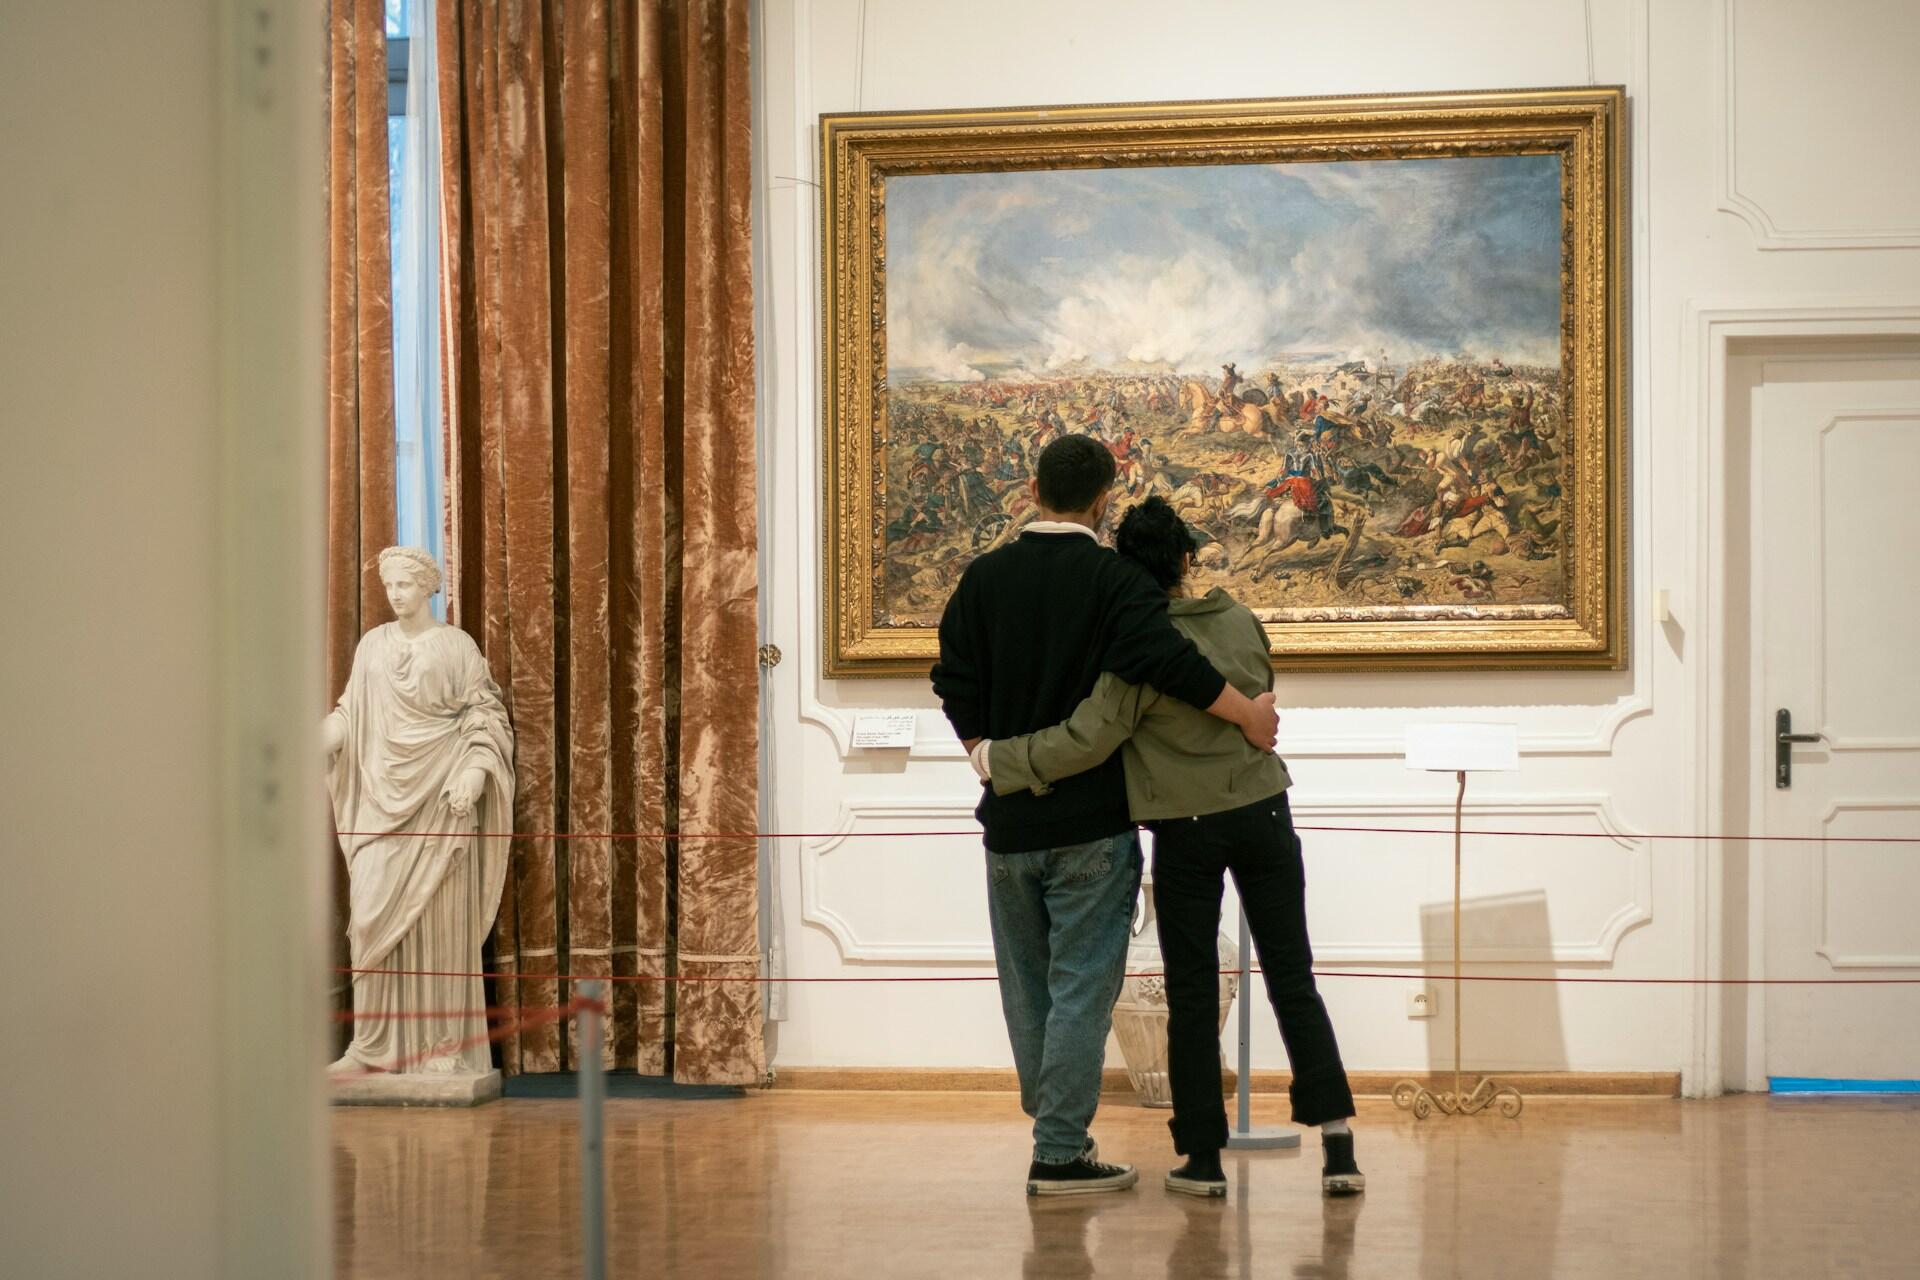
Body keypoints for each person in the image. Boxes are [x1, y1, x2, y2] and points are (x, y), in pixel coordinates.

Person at [974, 497, 1363, 1200]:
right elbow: (1263, 697)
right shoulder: (1241, 619)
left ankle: (1204, 1161)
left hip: (1186, 829)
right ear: (1187, 559)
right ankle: (1339, 1148)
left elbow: (1090, 740)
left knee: (1191, 993)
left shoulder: (1132, 656)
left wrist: (1001, 762)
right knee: (1293, 976)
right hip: (1265, 810)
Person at [931, 437, 1279, 1198]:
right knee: (1082, 991)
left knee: (1027, 991)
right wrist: (1248, 716)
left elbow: (950, 676)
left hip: (1007, 825)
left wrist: (983, 754)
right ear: (1103, 502)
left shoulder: (982, 578)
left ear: (1030, 489)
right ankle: (1058, 1147)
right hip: (1090, 825)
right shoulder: (1114, 578)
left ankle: (1052, 1128)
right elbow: (1171, 662)